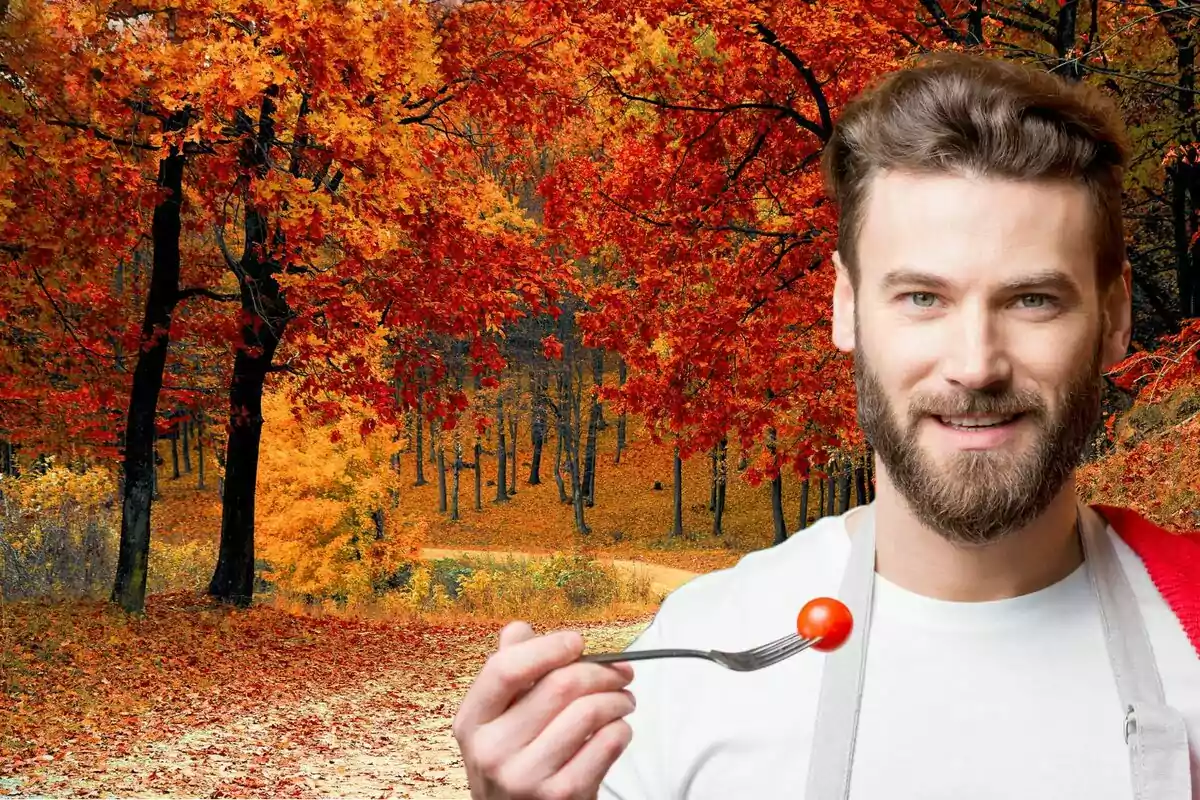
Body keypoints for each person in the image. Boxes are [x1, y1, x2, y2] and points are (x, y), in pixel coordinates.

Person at [451, 51, 1200, 800]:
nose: (975, 365)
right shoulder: (702, 665)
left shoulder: (1188, 621)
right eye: (921, 298)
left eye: (1033, 299)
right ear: (846, 305)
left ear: (1115, 316)